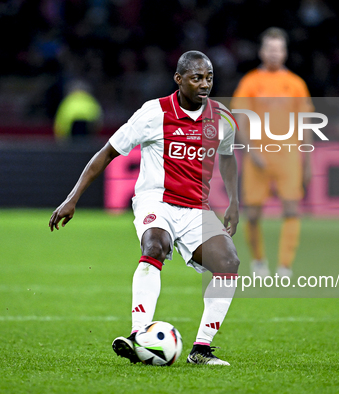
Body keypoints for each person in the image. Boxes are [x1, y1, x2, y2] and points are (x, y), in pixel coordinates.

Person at [49, 51, 240, 366]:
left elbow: (229, 156)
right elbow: (106, 153)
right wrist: (73, 198)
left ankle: (201, 350)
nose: (204, 84)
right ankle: (138, 337)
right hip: (157, 201)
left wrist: (233, 200)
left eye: (209, 77)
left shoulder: (222, 118)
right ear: (178, 80)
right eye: (196, 78)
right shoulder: (153, 113)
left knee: (229, 263)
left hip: (197, 208)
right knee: (154, 245)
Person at [232, 27, 314, 279]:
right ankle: (258, 263)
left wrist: (308, 162)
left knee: (291, 210)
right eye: (269, 48)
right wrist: (251, 151)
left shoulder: (296, 84)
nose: (274, 53)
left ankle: (285, 266)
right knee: (254, 213)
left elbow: (306, 124)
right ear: (261, 51)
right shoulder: (250, 82)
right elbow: (239, 119)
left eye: (278, 49)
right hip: (258, 156)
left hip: (288, 156)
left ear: (285, 53)